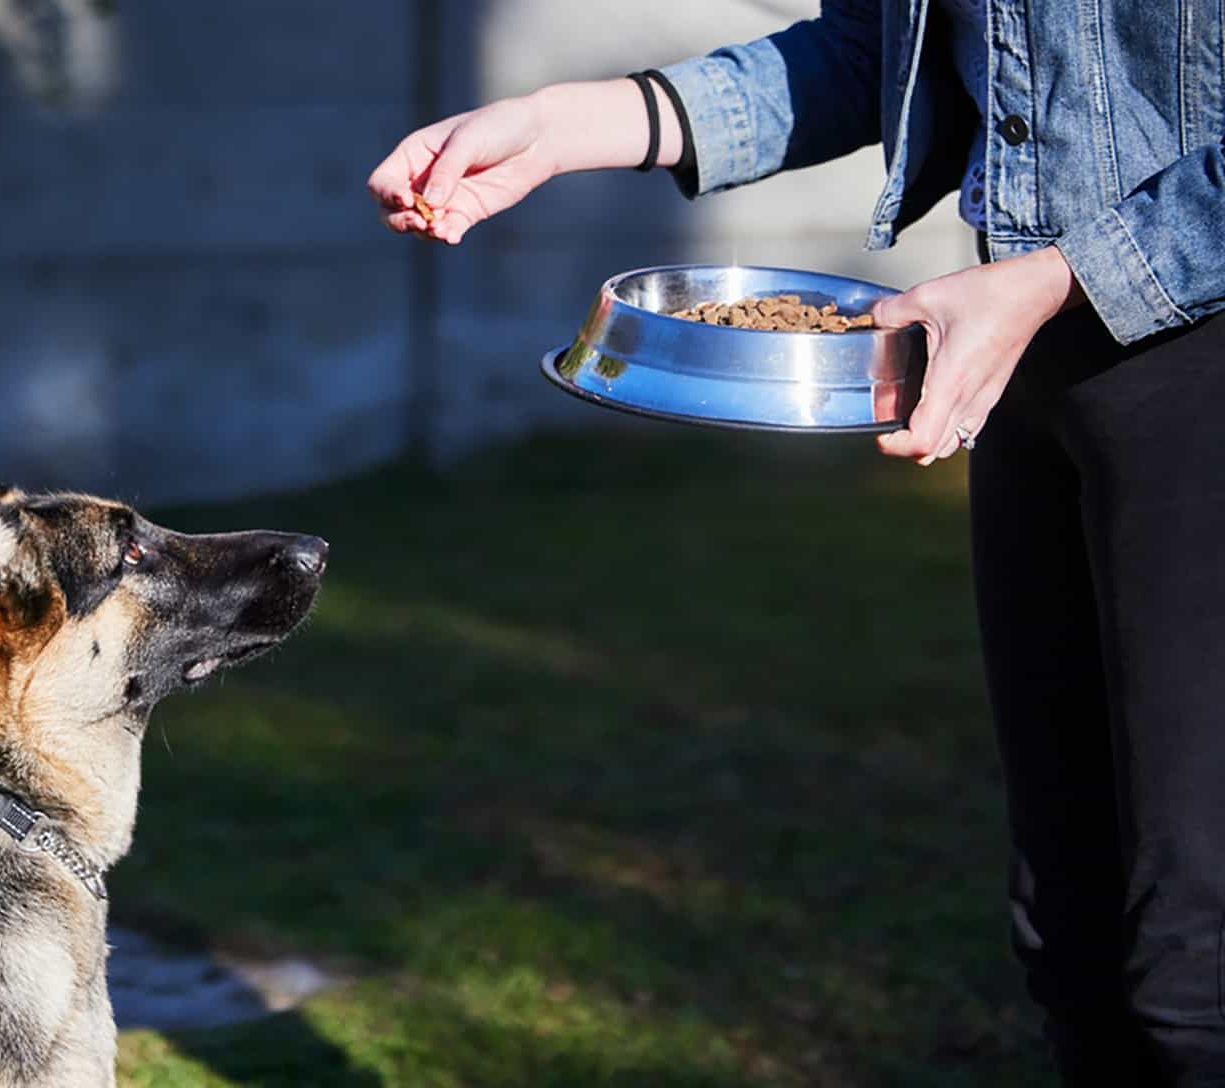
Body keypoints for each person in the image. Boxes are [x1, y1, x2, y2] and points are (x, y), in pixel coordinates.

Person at [368, 4, 1225, 1084]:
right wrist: (566, 123)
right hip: (1023, 353)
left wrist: (1059, 278)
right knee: (1073, 930)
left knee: (1196, 966)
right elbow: (879, 49)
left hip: (1180, 345)